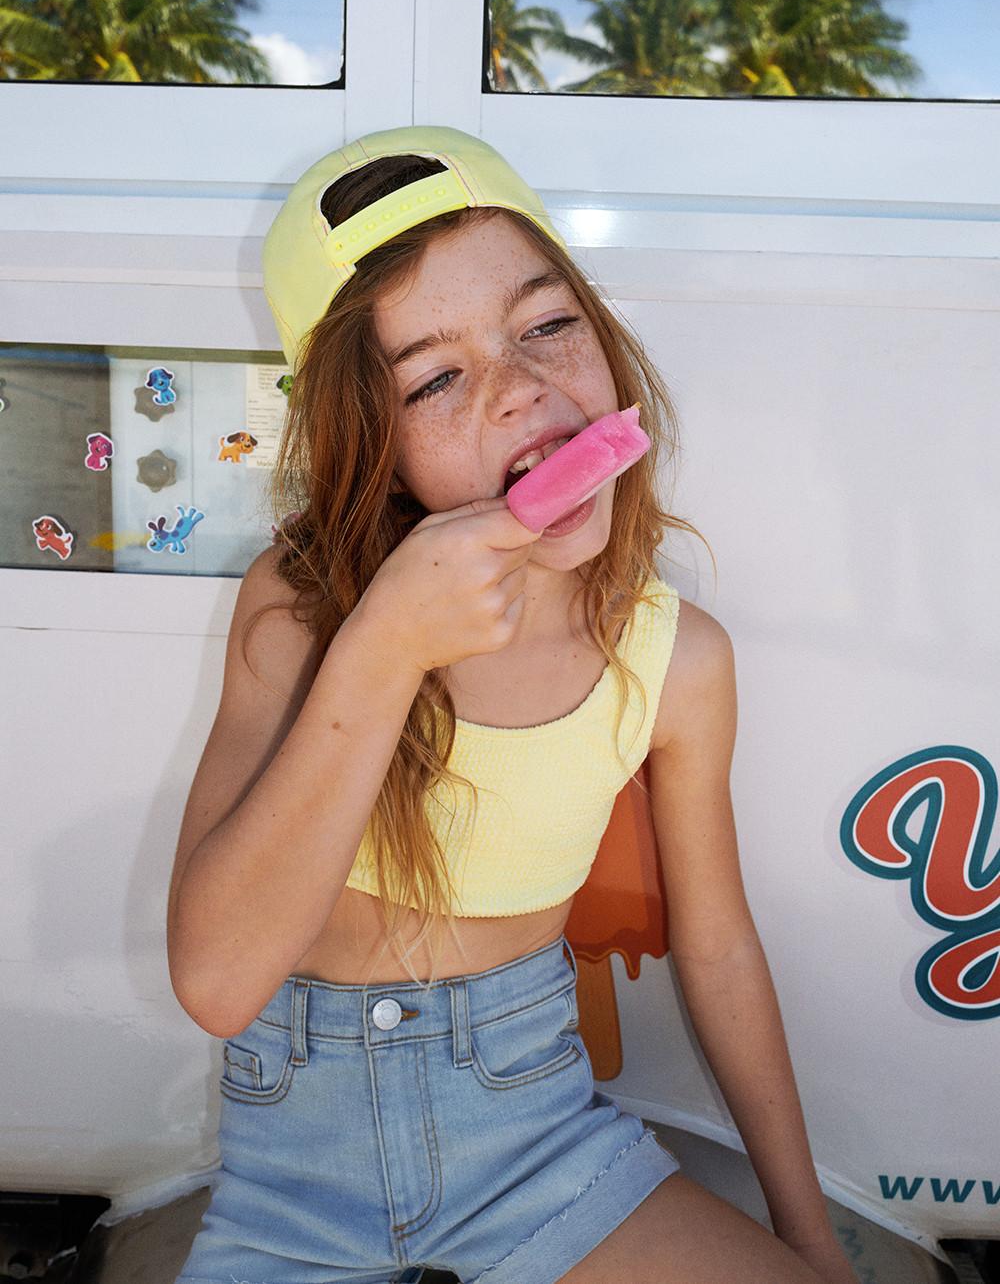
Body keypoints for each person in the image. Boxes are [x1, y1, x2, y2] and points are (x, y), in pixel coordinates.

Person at [166, 127, 856, 1284]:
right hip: (296, 1175)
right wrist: (384, 644)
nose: (522, 393)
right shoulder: (298, 614)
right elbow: (218, 980)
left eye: (546, 326)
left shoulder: (675, 662)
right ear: (370, 448)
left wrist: (808, 1235)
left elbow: (720, 949)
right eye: (435, 379)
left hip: (537, 1137)